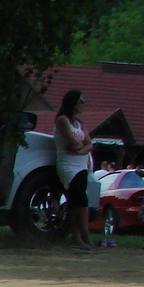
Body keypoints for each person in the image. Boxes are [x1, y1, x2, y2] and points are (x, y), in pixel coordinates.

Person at [53, 88, 94, 250]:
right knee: (79, 198)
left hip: (81, 163)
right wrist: (79, 147)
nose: (83, 104)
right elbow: (72, 142)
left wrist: (82, 150)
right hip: (68, 164)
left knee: (78, 201)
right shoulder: (63, 120)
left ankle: (79, 236)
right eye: (81, 101)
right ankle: (82, 235)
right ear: (73, 102)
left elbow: (89, 144)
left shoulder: (79, 123)